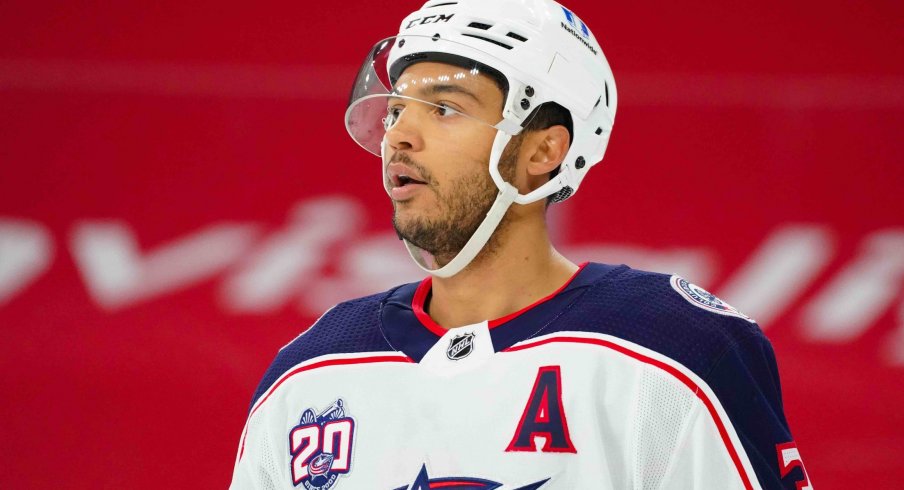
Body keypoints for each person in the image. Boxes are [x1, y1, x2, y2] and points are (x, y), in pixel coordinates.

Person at [230, 0, 812, 488]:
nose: (400, 134)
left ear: (542, 152)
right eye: (398, 108)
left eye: (443, 108)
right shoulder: (310, 371)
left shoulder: (678, 350)